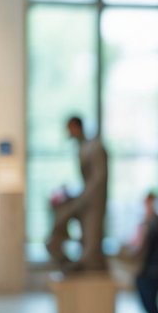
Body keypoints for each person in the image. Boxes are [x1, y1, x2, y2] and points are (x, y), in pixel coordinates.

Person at [46, 115, 108, 272]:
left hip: (93, 202)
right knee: (59, 217)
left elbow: (98, 180)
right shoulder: (83, 147)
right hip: (85, 198)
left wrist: (81, 200)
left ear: (75, 127)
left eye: (70, 129)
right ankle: (61, 254)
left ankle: (87, 264)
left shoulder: (95, 147)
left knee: (91, 242)